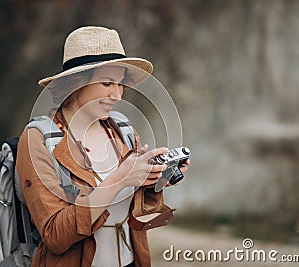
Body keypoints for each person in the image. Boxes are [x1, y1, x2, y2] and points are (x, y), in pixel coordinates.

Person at [16, 26, 190, 267]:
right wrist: (120, 178)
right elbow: (55, 235)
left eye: (120, 85)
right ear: (76, 83)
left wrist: (157, 178)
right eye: (107, 83)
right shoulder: (38, 139)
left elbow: (135, 206)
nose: (117, 95)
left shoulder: (122, 130)